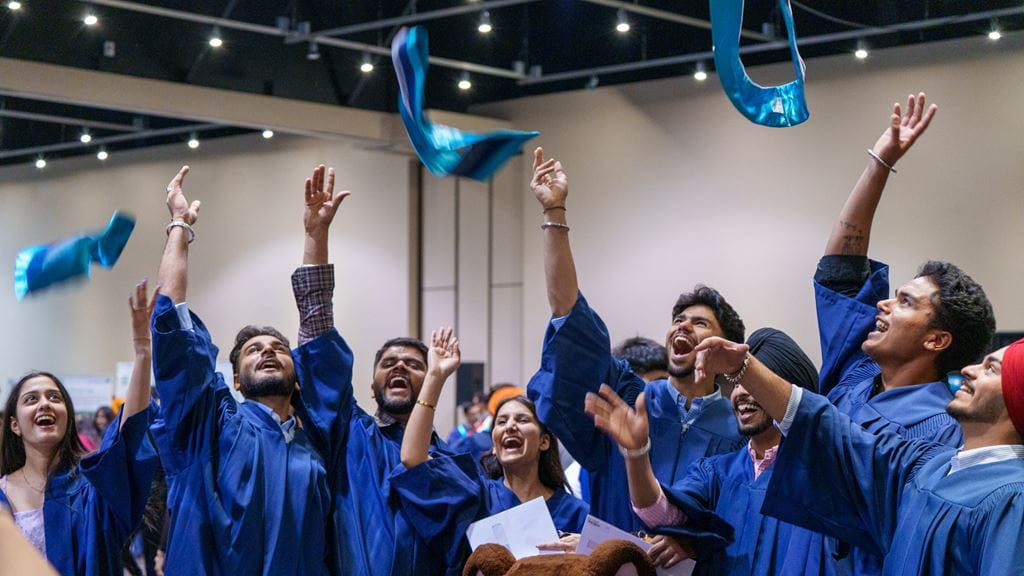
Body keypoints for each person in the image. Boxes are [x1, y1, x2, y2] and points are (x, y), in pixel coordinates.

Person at [812, 93, 995, 573]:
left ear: (937, 340)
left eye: (907, 302)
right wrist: (880, 163)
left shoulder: (947, 431)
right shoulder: (854, 374)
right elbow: (840, 271)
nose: (882, 303)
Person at [525, 147, 747, 539]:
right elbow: (571, 317)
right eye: (678, 320)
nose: (683, 328)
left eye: (700, 323)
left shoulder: (740, 429)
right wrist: (554, 214)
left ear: (725, 347)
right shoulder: (632, 399)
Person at [692, 332, 1024, 575]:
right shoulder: (928, 466)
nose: (968, 369)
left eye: (991, 369)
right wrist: (744, 367)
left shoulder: (1013, 501)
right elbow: (838, 436)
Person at [150, 166, 330, 575]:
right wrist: (179, 226)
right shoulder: (213, 427)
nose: (267, 352)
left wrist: (316, 236)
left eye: (278, 348)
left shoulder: (314, 445)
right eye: (252, 350)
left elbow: (319, 331)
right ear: (235, 380)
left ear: (297, 375)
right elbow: (175, 333)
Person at [289, 165, 451, 576]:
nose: (399, 366)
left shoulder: (452, 462)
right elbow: (320, 347)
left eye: (415, 364)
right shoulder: (349, 437)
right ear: (371, 382)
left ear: (432, 379)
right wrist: (315, 239)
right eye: (388, 363)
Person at [587, 328, 833, 574]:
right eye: (737, 384)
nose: (741, 393)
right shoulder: (716, 471)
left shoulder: (820, 476)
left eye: (754, 384)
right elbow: (660, 515)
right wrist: (637, 454)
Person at [388, 328, 589, 573]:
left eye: (522, 420)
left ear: (544, 442)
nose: (510, 426)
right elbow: (413, 458)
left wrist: (588, 550)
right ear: (493, 444)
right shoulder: (476, 497)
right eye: (502, 422)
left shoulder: (576, 512)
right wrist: (435, 376)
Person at [0, 280, 159, 575]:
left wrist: (142, 353)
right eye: (31, 399)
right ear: (15, 425)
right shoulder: (2, 491)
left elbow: (128, 437)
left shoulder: (90, 485)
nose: (45, 404)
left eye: (55, 397)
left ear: (68, 418)